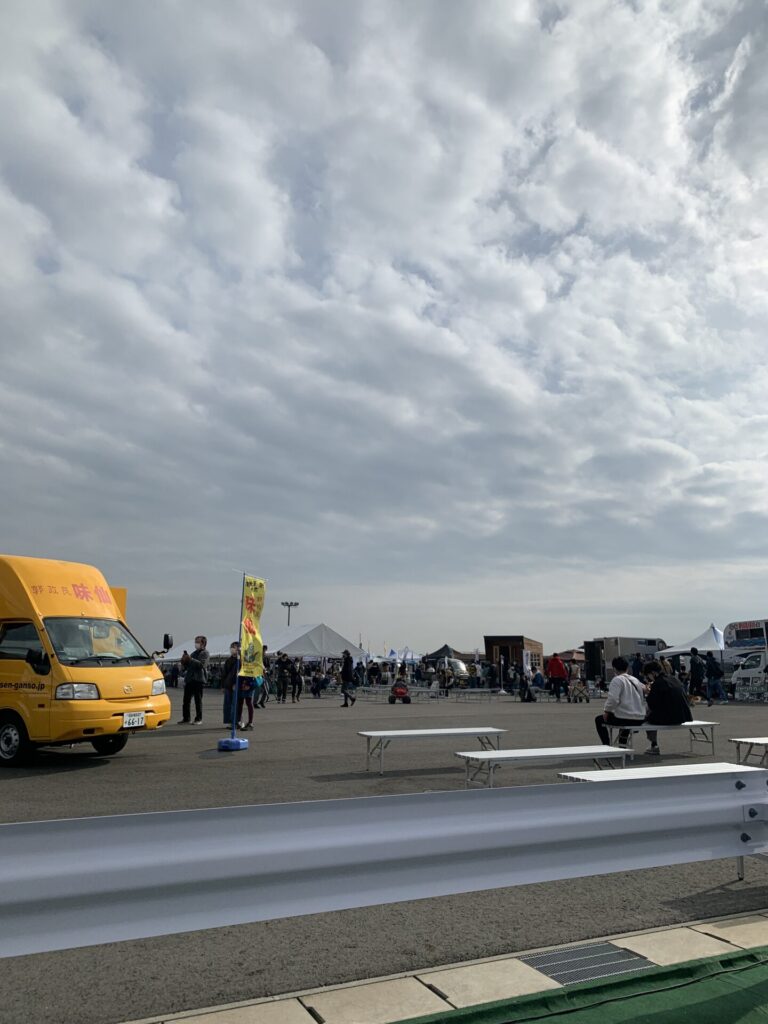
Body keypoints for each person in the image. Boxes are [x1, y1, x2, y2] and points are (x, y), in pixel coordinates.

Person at [642, 659, 692, 754]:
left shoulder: (657, 683)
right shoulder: (674, 679)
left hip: (669, 718)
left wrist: (649, 693)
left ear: (653, 673)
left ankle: (654, 745)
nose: (648, 678)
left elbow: (652, 704)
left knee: (648, 719)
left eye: (648, 675)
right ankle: (654, 746)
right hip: (683, 716)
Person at [595, 656, 647, 746]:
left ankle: (606, 745)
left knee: (599, 720)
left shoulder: (617, 680)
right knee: (624, 715)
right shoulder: (635, 680)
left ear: (614, 668)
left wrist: (607, 711)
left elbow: (613, 699)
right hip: (639, 718)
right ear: (627, 668)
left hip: (625, 718)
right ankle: (622, 744)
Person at [178, 635, 209, 724]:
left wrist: (190, 659)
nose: (196, 644)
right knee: (186, 700)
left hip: (198, 680)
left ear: (203, 643)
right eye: (196, 642)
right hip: (190, 679)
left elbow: (201, 665)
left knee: (198, 700)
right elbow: (188, 666)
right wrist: (184, 661)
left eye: (198, 642)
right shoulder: (193, 653)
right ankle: (186, 718)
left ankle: (198, 719)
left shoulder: (205, 653)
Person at [220, 641, 240, 725]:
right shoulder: (228, 660)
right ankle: (229, 721)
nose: (232, 649)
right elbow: (224, 674)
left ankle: (236, 721)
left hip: (236, 685)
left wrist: (237, 683)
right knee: (227, 704)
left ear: (238, 649)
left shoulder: (240, 660)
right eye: (231, 647)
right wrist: (223, 686)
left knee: (235, 704)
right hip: (228, 685)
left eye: (234, 647)